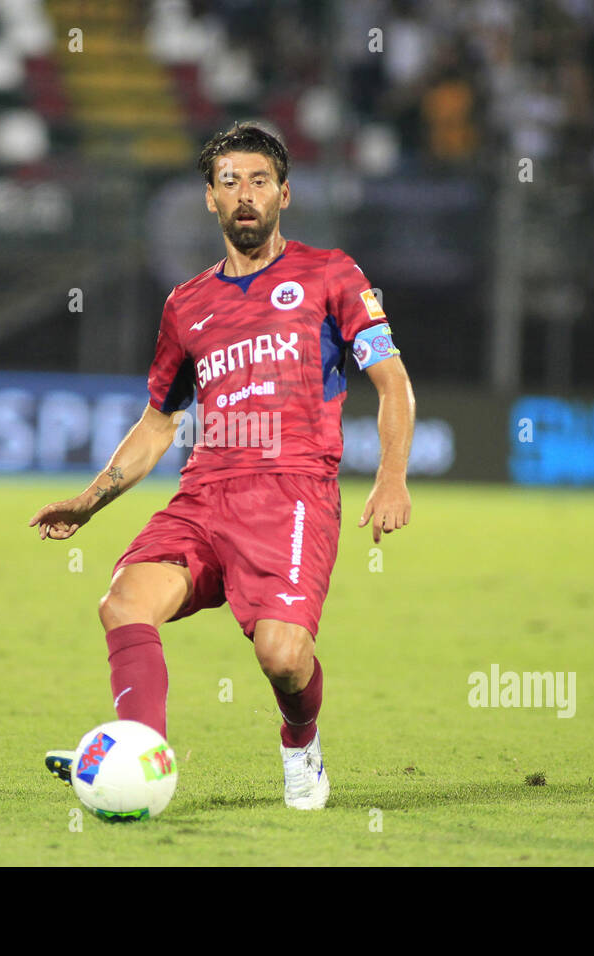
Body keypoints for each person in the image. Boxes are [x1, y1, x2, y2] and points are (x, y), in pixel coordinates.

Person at [30, 123, 415, 809]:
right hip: (204, 494)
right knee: (122, 603)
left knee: (283, 658)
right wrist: (89, 500)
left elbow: (392, 381)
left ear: (285, 194)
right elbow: (158, 422)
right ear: (209, 199)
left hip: (293, 495)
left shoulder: (330, 273)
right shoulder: (187, 305)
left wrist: (392, 477)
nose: (245, 194)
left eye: (259, 181)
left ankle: (301, 740)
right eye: (229, 181)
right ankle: (138, 757)